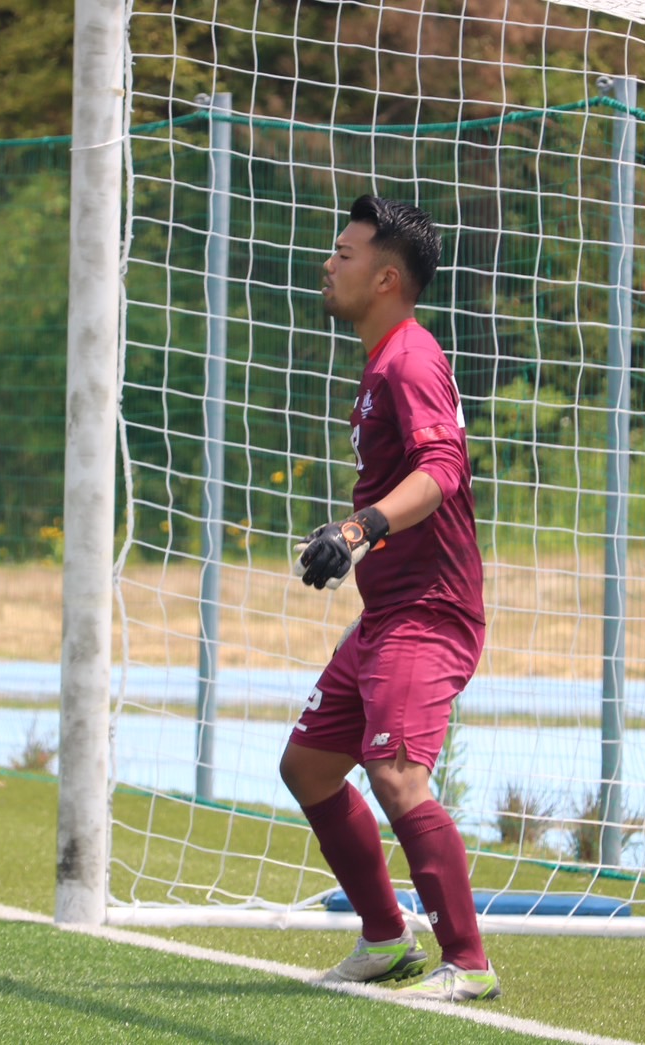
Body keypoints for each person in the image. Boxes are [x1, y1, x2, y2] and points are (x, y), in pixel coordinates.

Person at [283, 196, 498, 1003]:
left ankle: (467, 963)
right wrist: (352, 538)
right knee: (308, 767)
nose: (326, 264)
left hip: (428, 612)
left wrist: (359, 528)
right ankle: (384, 938)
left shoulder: (409, 359)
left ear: (384, 279)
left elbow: (443, 470)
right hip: (386, 613)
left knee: (397, 773)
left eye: (342, 254)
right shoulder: (381, 363)